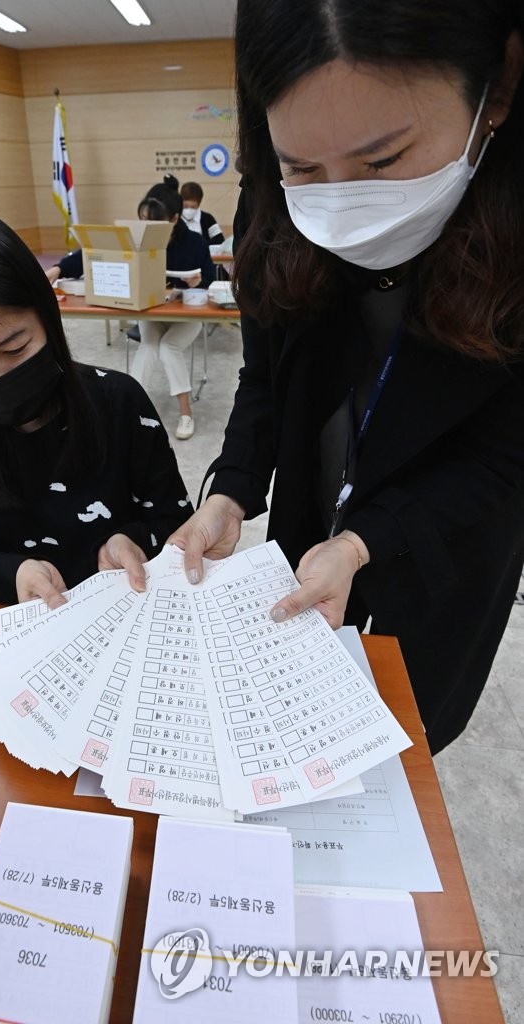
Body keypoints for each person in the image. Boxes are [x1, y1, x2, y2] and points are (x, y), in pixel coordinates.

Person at [170, 0, 524, 755]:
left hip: (448, 536)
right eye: (303, 168)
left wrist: (365, 542)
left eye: (383, 161)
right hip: (309, 517)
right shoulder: (268, 199)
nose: (343, 203)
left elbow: (503, 455)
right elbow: (264, 378)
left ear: (496, 89)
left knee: (404, 727)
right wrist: (231, 488)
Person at [0, 196, 193, 608]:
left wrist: (131, 542)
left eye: (15, 348)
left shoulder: (120, 401)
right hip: (14, 628)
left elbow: (174, 521)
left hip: (122, 615)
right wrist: (11, 574)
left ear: (47, 316)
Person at [131, 181, 216, 441]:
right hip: (154, 311)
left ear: (175, 218)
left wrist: (199, 281)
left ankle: (185, 413)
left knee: (169, 347)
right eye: (144, 221)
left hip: (186, 315)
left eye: (156, 223)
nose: (148, 229)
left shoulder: (195, 243)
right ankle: (128, 410)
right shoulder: (139, 239)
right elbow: (87, 255)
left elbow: (211, 278)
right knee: (148, 348)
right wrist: (60, 268)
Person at [180, 181, 226, 245]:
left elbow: (219, 240)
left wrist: (201, 245)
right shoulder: (175, 219)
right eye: (186, 206)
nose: (189, 210)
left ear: (199, 204)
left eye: (193, 207)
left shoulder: (208, 219)